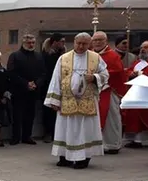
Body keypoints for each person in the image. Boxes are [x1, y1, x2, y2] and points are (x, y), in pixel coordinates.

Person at [44, 32, 109, 170]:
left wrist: (95, 77)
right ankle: (64, 157)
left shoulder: (95, 58)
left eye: (84, 44)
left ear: (89, 44)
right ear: (74, 42)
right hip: (67, 101)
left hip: (87, 101)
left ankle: (83, 158)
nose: (81, 46)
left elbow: (105, 75)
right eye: (78, 43)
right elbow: (56, 79)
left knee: (85, 131)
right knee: (65, 129)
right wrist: (54, 100)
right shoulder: (64, 58)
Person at [91, 31, 128, 154]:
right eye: (95, 40)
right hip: (95, 91)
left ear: (105, 41)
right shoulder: (90, 54)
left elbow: (117, 72)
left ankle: (112, 144)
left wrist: (97, 76)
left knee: (111, 118)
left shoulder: (113, 55)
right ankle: (97, 143)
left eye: (100, 40)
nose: (97, 43)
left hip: (110, 90)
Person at [6, 34, 44, 145]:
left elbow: (43, 73)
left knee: (30, 115)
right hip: (18, 90)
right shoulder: (15, 56)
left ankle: (27, 136)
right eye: (29, 43)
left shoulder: (39, 56)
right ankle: (15, 137)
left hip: (33, 91)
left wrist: (36, 84)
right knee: (17, 115)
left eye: (33, 42)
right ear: (23, 43)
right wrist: (25, 83)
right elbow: (11, 73)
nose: (31, 45)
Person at [123, 40, 148, 148]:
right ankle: (135, 139)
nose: (142, 49)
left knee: (142, 116)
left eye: (146, 47)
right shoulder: (139, 61)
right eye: (141, 47)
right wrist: (131, 73)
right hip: (135, 91)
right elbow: (129, 71)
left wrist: (139, 73)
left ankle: (141, 140)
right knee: (133, 116)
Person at [40, 34, 66, 142]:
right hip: (48, 85)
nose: (63, 44)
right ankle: (47, 132)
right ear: (54, 42)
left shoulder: (64, 56)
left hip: (62, 85)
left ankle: (58, 133)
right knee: (48, 111)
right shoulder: (45, 55)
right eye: (61, 41)